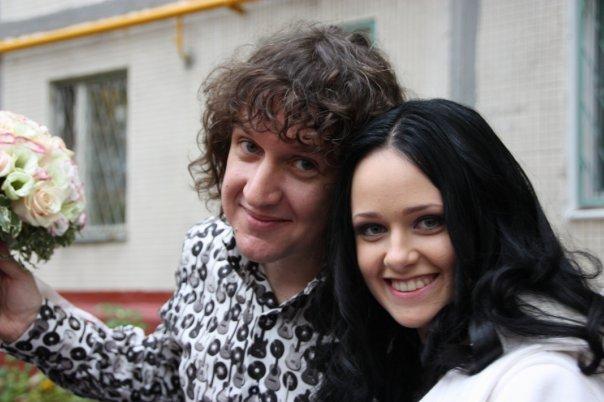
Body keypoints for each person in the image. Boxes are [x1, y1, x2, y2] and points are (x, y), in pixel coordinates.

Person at [0, 24, 403, 401]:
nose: (258, 192)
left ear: (355, 180)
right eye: (249, 146)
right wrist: (32, 320)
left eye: (304, 164)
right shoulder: (208, 249)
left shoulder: (387, 288)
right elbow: (164, 379)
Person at [317, 99, 604, 402]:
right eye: (373, 229)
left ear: (487, 221)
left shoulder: (541, 381)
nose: (398, 256)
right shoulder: (391, 363)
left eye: (429, 222)